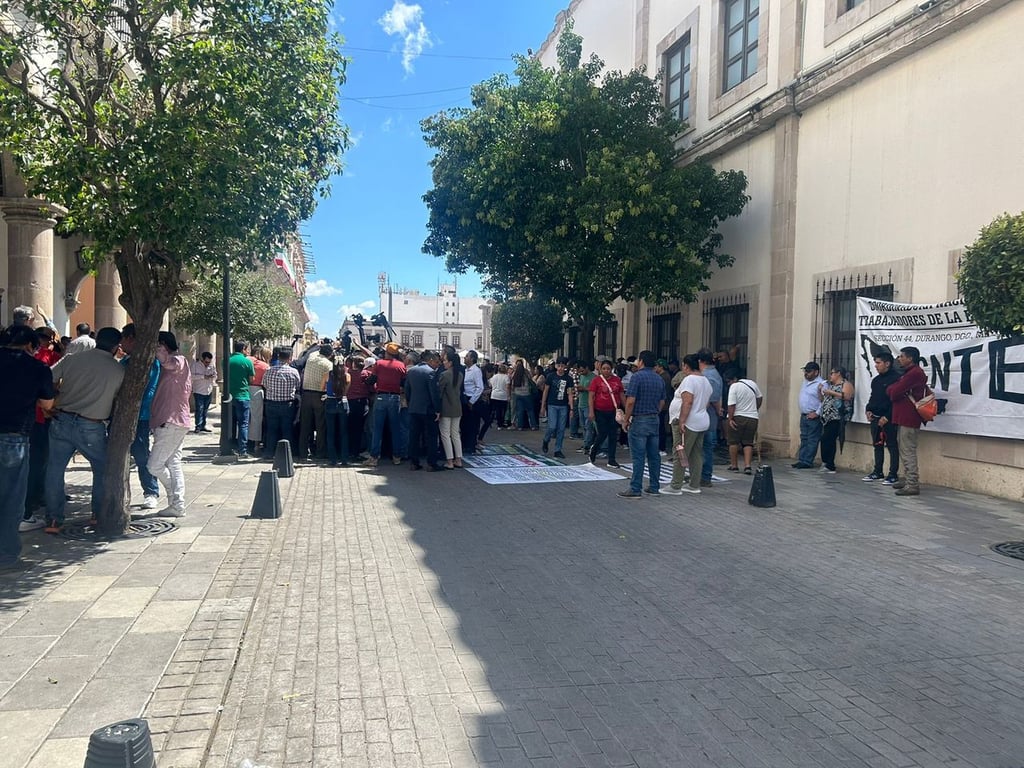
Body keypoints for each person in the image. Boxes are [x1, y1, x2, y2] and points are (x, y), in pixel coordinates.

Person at [44, 327, 125, 533]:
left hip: (62, 418)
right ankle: (97, 514)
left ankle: (54, 519)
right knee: (101, 470)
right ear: (117, 347)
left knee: (54, 470)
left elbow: (48, 377)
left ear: (96, 339)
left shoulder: (72, 359)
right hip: (91, 424)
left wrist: (52, 399)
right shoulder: (118, 370)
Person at [0, 325, 55, 571]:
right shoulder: (37, 368)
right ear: (32, 346)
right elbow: (47, 403)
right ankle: (8, 557)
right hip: (14, 438)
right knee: (12, 501)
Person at [147, 331, 192, 517]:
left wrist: (159, 353)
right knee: (173, 463)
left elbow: (171, 363)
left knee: (154, 465)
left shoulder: (178, 360)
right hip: (174, 421)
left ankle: (175, 498)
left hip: (171, 421)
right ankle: (177, 504)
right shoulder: (171, 364)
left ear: (163, 345)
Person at [22, 328, 63, 530]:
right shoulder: (39, 361)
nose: (45, 341)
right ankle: (29, 506)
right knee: (37, 461)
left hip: (39, 417)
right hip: (38, 416)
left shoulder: (52, 355)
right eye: (43, 338)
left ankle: (38, 496)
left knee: (40, 460)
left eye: (48, 338)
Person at [120, 322, 162, 509]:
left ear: (130, 338)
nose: (121, 344)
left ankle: (151, 490)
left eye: (123, 339)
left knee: (141, 454)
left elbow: (148, 390)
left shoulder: (149, 362)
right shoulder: (125, 362)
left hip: (140, 415)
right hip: (123, 414)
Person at [663, 354, 713, 495]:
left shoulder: (689, 380)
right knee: (696, 453)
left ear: (686, 365)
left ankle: (676, 485)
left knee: (680, 451)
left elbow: (687, 401)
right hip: (701, 419)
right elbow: (706, 402)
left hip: (689, 421)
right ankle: (694, 484)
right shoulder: (705, 381)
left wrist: (682, 420)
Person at [619, 350, 665, 498]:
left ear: (641, 361)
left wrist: (626, 419)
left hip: (639, 419)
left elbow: (631, 401)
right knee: (654, 455)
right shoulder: (659, 379)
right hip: (654, 418)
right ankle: (654, 486)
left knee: (638, 456)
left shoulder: (637, 377)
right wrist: (655, 412)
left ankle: (635, 488)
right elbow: (662, 401)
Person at [886, 346, 928, 496]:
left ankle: (912, 483)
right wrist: (892, 389)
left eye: (902, 356)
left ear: (910, 358)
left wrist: (892, 389)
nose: (899, 359)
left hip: (909, 417)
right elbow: (893, 389)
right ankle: (907, 477)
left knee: (907, 450)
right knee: (903, 449)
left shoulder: (914, 374)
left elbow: (894, 391)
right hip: (903, 417)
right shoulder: (908, 373)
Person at [363, 342, 407, 467]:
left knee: (377, 428)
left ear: (386, 352)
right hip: (395, 397)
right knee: (395, 428)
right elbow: (404, 382)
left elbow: (371, 380)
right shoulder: (401, 365)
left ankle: (374, 458)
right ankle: (396, 457)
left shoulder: (379, 364)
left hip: (381, 397)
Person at [863, 351, 900, 484]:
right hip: (875, 418)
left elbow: (896, 402)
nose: (876, 366)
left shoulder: (896, 379)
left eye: (878, 363)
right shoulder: (876, 380)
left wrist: (888, 416)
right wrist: (868, 410)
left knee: (892, 445)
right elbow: (873, 398)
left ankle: (893, 474)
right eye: (875, 363)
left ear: (887, 363)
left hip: (889, 419)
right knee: (877, 445)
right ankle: (877, 471)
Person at [405, 350, 443, 470]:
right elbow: (434, 393)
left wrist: (411, 403)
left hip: (414, 408)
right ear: (430, 360)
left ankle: (413, 462)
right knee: (431, 437)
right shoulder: (430, 372)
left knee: (414, 436)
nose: (437, 365)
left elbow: (407, 390)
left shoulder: (411, 371)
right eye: (436, 362)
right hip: (427, 409)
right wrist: (438, 410)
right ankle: (432, 463)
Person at [261, 348, 301, 459]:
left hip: (271, 404)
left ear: (278, 357)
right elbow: (298, 386)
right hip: (287, 404)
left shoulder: (269, 370)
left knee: (271, 430)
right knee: (287, 430)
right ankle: (286, 454)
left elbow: (264, 384)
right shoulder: (293, 372)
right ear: (290, 358)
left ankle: (269, 452)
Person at [298, 343, 333, 461]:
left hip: (306, 394)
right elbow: (328, 383)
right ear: (330, 354)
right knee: (320, 426)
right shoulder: (328, 365)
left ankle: (302, 452)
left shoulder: (311, 356)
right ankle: (320, 452)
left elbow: (310, 351)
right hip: (320, 395)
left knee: (305, 425)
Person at [818, 367, 854, 474]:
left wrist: (831, 392)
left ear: (838, 374)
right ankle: (826, 462)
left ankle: (829, 464)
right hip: (828, 418)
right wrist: (821, 391)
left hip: (837, 417)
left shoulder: (845, 384)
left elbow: (847, 396)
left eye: (832, 373)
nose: (830, 375)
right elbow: (823, 400)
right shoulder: (832, 386)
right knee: (826, 439)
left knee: (827, 439)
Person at [725, 371, 762, 474]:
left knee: (733, 442)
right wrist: (755, 408)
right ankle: (747, 466)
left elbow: (731, 405)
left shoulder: (734, 387)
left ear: (734, 378)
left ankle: (734, 465)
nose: (728, 384)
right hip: (752, 417)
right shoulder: (752, 384)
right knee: (748, 442)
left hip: (738, 416)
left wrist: (730, 419)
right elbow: (759, 398)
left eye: (729, 381)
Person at [588, 360, 624, 469]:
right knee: (603, 433)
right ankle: (594, 449)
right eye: (604, 368)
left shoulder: (617, 380)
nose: (606, 371)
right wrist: (591, 411)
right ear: (600, 369)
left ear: (611, 369)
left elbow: (622, 395)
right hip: (600, 411)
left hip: (613, 411)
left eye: (608, 368)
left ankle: (612, 459)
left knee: (613, 434)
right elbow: (591, 396)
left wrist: (626, 409)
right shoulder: (596, 380)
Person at [697, 350, 723, 488]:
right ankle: (701, 473)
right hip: (709, 417)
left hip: (706, 417)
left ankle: (704, 476)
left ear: (701, 361)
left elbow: (712, 397)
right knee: (704, 447)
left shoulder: (708, 375)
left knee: (705, 447)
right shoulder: (714, 374)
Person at [541, 357, 575, 459]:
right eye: (558, 366)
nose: (560, 368)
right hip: (552, 404)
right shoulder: (551, 376)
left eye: (562, 366)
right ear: (556, 366)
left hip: (563, 405)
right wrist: (543, 405)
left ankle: (558, 449)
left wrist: (572, 408)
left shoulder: (568, 379)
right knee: (552, 426)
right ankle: (546, 439)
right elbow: (546, 391)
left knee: (561, 428)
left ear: (565, 367)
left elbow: (570, 393)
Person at [793, 361, 824, 469]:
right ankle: (801, 459)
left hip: (813, 416)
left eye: (809, 371)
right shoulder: (805, 382)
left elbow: (824, 401)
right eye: (805, 371)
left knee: (812, 439)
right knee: (804, 438)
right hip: (804, 415)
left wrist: (817, 413)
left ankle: (807, 461)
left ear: (816, 372)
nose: (806, 373)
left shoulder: (821, 384)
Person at [227, 341, 256, 458]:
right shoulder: (247, 361)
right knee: (243, 424)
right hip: (243, 395)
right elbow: (251, 379)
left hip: (229, 396)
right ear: (243, 349)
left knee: (231, 423)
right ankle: (242, 450)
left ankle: (230, 446)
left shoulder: (227, 360)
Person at [438, 348, 464, 469]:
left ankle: (449, 461)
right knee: (455, 434)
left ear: (450, 362)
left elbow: (439, 393)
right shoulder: (459, 374)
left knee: (445, 435)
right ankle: (458, 459)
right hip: (457, 407)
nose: (444, 362)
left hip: (446, 408)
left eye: (445, 360)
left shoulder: (444, 375)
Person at [324, 351, 350, 466]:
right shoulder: (347, 376)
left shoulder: (327, 374)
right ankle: (344, 459)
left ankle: (332, 459)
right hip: (342, 401)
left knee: (330, 432)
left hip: (330, 401)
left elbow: (322, 387)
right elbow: (346, 390)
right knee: (344, 432)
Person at [345, 354, 371, 461]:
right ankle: (356, 451)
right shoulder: (366, 373)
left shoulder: (348, 373)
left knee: (349, 427)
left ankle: (349, 451)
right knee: (359, 429)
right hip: (362, 402)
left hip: (350, 401)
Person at [460, 350, 486, 455]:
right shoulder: (465, 370)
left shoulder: (476, 371)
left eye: (467, 356)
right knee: (464, 424)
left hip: (472, 399)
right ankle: (465, 445)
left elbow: (479, 387)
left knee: (472, 425)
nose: (465, 358)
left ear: (472, 359)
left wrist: (472, 401)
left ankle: (471, 446)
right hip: (465, 397)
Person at [248, 347, 271, 454]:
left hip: (246, 389)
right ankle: (256, 444)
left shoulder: (249, 362)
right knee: (257, 418)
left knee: (245, 418)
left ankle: (244, 441)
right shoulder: (265, 366)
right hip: (258, 390)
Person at [190, 352, 216, 432]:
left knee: (205, 409)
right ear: (202, 359)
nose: (207, 364)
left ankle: (203, 425)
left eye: (209, 362)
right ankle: (198, 425)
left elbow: (216, 375)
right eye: (206, 362)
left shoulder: (212, 366)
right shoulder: (195, 365)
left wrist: (213, 376)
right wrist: (203, 377)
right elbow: (191, 376)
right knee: (199, 408)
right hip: (199, 390)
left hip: (208, 390)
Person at [575, 361, 596, 455]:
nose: (580, 371)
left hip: (588, 405)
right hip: (581, 403)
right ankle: (585, 443)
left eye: (581, 369)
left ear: (587, 367)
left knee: (589, 427)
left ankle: (587, 445)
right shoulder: (581, 376)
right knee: (583, 426)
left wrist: (584, 389)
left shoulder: (593, 377)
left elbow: (594, 390)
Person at [510, 360, 536, 430]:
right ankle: (533, 425)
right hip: (527, 394)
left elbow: (512, 385)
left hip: (517, 394)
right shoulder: (526, 372)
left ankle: (520, 426)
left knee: (519, 411)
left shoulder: (515, 374)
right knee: (530, 410)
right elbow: (531, 379)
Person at [486, 363, 510, 433]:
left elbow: (489, 384)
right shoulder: (506, 377)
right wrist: (508, 396)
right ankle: (501, 423)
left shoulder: (494, 376)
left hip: (494, 395)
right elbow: (508, 387)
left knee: (496, 410)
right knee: (503, 410)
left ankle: (495, 423)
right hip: (503, 395)